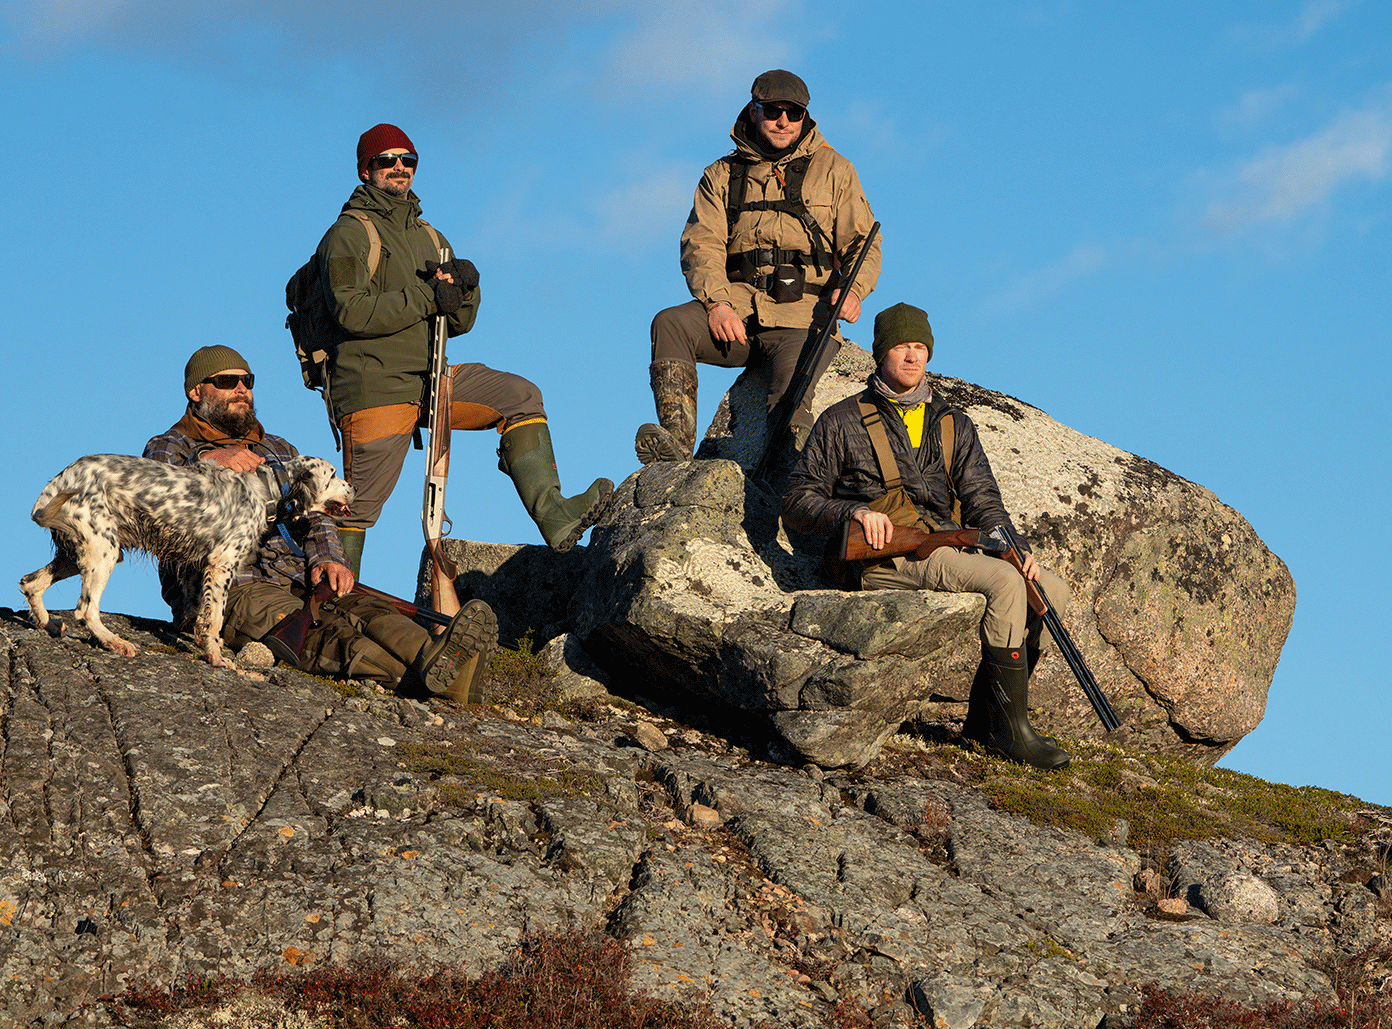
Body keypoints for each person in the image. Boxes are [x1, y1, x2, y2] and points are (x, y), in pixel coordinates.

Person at [781, 305, 1073, 769]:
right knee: (1002, 584)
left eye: (920, 347)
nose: (912, 356)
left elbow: (984, 500)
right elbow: (797, 501)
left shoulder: (953, 422)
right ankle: (1010, 734)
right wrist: (852, 512)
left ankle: (986, 721)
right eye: (901, 346)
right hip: (881, 560)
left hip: (943, 547)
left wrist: (1016, 549)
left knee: (1050, 588)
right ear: (880, 354)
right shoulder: (841, 421)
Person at [313, 123, 613, 572]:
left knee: (519, 395)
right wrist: (426, 296)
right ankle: (326, 616)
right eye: (386, 160)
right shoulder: (349, 234)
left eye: (407, 160)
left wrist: (467, 290)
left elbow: (458, 323)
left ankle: (555, 515)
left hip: (433, 377)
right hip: (375, 388)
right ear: (365, 170)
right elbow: (350, 312)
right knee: (353, 509)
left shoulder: (430, 236)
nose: (399, 167)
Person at [144, 345, 499, 700]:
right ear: (195, 391)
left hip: (298, 574)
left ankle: (440, 661)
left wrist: (329, 557)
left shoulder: (279, 448)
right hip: (229, 589)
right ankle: (446, 683)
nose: (242, 389)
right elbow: (160, 492)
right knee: (327, 634)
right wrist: (206, 457)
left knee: (366, 608)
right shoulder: (168, 446)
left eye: (247, 381)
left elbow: (318, 510)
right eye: (227, 381)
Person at [636, 69, 881, 464]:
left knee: (788, 405)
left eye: (794, 113)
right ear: (754, 110)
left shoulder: (835, 170)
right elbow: (701, 243)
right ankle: (675, 450)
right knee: (670, 323)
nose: (784, 121)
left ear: (806, 116)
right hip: (738, 316)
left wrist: (853, 290)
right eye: (773, 111)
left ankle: (795, 490)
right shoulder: (720, 175)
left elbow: (864, 244)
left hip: (804, 319)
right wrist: (717, 303)